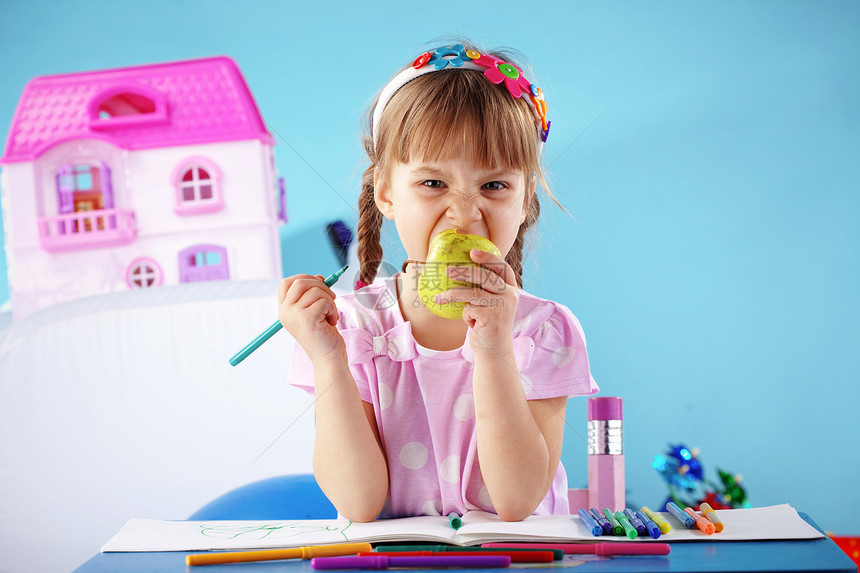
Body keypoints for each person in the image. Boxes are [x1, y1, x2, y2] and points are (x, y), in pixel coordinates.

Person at [280, 42, 598, 523]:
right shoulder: (351, 328)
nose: (465, 213)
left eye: (494, 186)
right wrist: (329, 361)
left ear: (525, 196)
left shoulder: (543, 330)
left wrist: (492, 349)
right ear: (386, 192)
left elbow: (515, 501)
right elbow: (358, 503)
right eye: (433, 184)